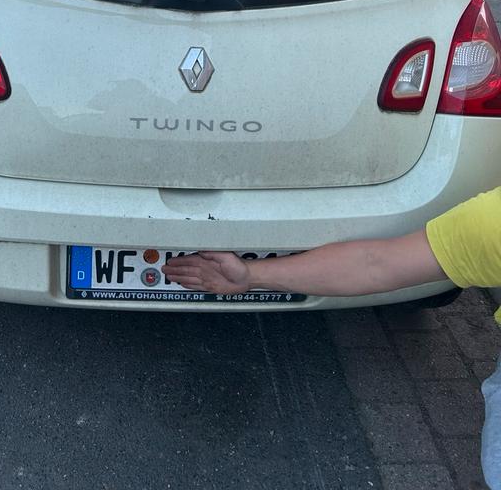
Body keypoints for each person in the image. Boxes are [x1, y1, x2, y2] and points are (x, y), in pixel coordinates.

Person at [162, 188, 501, 489]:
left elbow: (376, 264)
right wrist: (250, 275)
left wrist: (252, 275)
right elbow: (374, 264)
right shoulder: (492, 224)